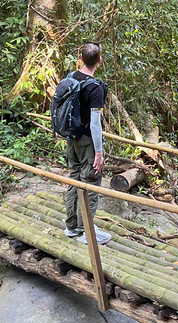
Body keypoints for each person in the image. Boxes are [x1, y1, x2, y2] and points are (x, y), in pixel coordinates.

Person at [63, 42, 109, 244]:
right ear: (99, 61)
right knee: (89, 183)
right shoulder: (95, 87)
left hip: (71, 138)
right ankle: (85, 232)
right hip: (87, 142)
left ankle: (71, 226)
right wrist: (98, 152)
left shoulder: (70, 78)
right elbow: (95, 123)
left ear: (80, 59)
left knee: (74, 180)